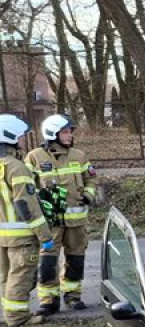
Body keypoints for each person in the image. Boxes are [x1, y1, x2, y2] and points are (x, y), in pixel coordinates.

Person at [25, 115, 96, 314]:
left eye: (70, 131)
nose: (69, 135)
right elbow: (26, 186)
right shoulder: (34, 157)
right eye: (65, 132)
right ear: (52, 133)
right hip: (49, 223)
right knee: (47, 261)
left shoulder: (79, 156)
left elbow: (91, 180)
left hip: (76, 221)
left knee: (76, 258)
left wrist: (89, 195)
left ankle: (73, 296)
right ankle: (48, 300)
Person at [0, 114, 53, 327]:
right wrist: (45, 236)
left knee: (6, 277)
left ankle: (8, 313)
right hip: (20, 236)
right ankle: (17, 317)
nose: (21, 141)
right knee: (20, 276)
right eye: (19, 137)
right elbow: (27, 206)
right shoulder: (15, 167)